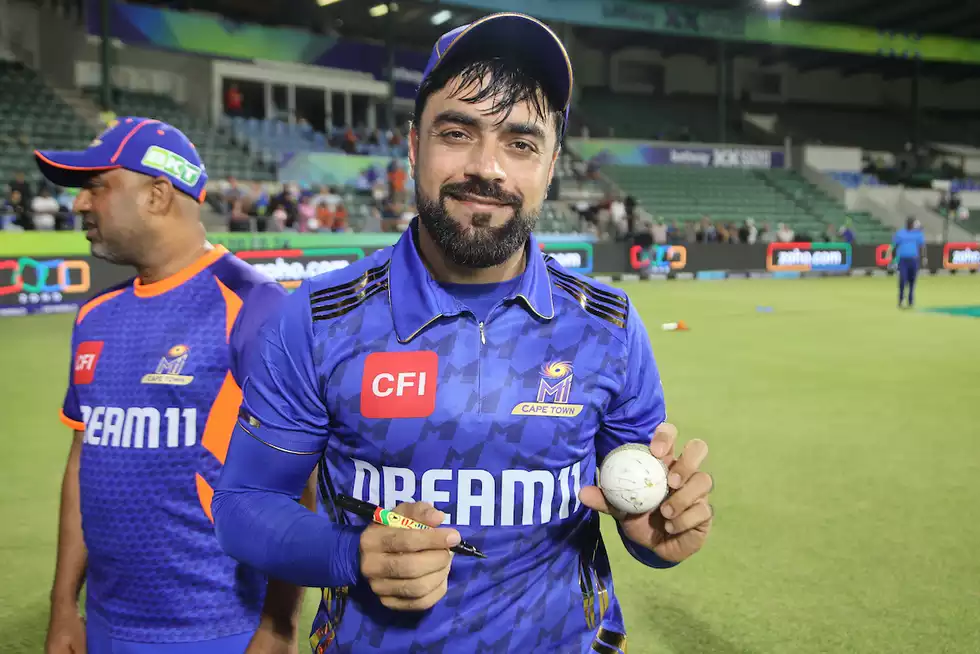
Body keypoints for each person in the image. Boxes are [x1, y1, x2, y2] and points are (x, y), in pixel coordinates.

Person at [211, 13, 714, 653]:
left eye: (521, 144)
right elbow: (245, 505)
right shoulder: (314, 318)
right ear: (414, 145)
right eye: (458, 132)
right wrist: (354, 552)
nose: (488, 168)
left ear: (552, 164)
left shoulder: (607, 324)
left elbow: (638, 498)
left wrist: (659, 537)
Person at [35, 117, 311, 654]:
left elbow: (297, 478)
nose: (80, 205)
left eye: (96, 187)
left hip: (217, 629)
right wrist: (64, 606)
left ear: (158, 194)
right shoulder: (93, 316)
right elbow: (81, 462)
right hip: (106, 627)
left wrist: (278, 626)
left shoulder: (255, 306)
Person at [891, 216, 926, 308]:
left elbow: (922, 246)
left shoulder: (918, 234)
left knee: (912, 281)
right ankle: (901, 299)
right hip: (903, 260)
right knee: (903, 279)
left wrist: (923, 257)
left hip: (913, 260)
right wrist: (893, 260)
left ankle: (910, 300)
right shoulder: (900, 233)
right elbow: (894, 246)